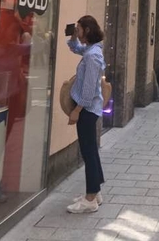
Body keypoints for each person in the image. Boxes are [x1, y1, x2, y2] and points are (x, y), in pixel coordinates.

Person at [66, 15, 106, 213]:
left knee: (88, 152)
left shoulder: (92, 55)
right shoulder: (91, 50)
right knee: (91, 150)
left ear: (87, 30)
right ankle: (95, 191)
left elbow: (89, 89)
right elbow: (75, 48)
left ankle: (90, 199)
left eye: (80, 29)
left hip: (87, 110)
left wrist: (76, 110)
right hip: (89, 109)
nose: (78, 31)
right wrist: (74, 36)